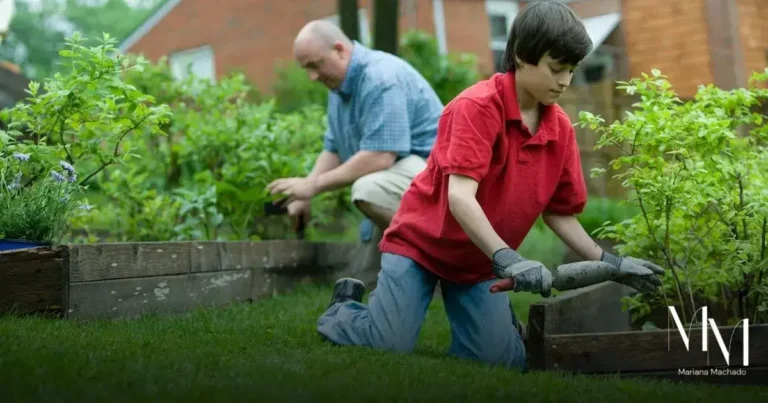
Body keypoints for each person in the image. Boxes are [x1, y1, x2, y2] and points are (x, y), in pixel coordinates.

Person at [315, 1, 665, 370]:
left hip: (480, 262)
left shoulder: (559, 129)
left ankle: (497, 329)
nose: (565, 81)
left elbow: (559, 214)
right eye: (556, 68)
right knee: (388, 344)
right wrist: (510, 259)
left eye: (572, 70)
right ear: (521, 56)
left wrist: (614, 263)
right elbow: (460, 198)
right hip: (420, 248)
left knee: (498, 361)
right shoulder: (476, 108)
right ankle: (344, 310)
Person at [267, 20, 444, 276]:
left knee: (368, 189)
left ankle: (443, 261)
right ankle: (411, 275)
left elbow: (381, 156)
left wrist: (313, 185)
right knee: (365, 277)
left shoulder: (380, 78)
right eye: (306, 69)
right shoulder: (339, 89)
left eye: (315, 65)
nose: (312, 77)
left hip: (438, 179)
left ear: (340, 50)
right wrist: (304, 193)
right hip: (400, 180)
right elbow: (334, 148)